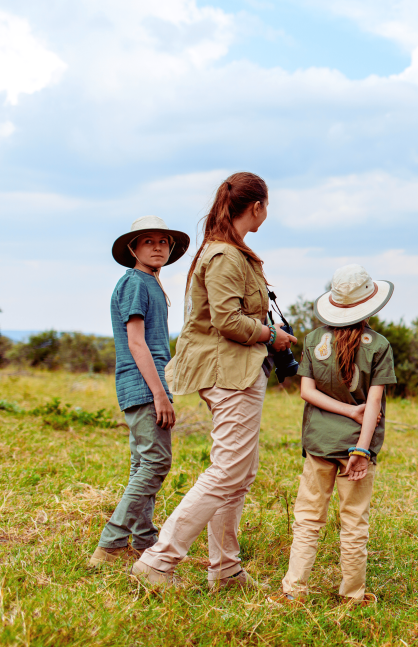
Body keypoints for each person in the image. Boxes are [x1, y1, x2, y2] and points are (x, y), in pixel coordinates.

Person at [131, 172, 297, 590]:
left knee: (239, 473)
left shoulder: (231, 251)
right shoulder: (224, 255)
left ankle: (225, 569)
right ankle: (158, 560)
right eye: (267, 205)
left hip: (236, 371)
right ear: (256, 207)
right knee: (227, 472)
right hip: (229, 373)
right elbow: (227, 321)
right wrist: (273, 335)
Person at [272, 264, 396, 606]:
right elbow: (373, 405)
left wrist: (342, 410)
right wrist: (361, 449)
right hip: (356, 447)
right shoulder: (380, 345)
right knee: (355, 522)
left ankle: (293, 590)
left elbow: (306, 393)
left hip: (318, 444)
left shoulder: (313, 340)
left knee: (308, 519)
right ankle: (353, 594)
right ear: (370, 303)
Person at [88, 216, 190, 567]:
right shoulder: (135, 284)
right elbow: (136, 343)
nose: (158, 246)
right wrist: (160, 394)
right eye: (148, 241)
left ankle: (144, 541)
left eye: (163, 241)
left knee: (141, 464)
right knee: (157, 462)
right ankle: (111, 543)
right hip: (145, 386)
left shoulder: (148, 283)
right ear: (133, 248)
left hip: (145, 385)